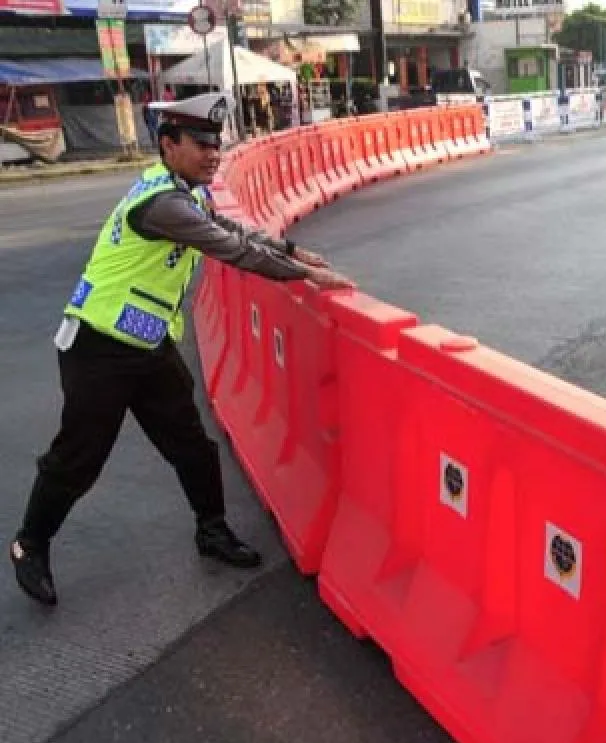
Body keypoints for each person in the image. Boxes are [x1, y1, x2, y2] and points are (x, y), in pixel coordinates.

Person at [9, 91, 356, 607]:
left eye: (217, 145)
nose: (213, 155)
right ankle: (29, 544)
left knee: (191, 445)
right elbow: (229, 248)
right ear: (169, 145)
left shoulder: (186, 192)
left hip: (148, 346)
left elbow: (230, 227)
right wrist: (303, 275)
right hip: (98, 346)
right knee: (80, 457)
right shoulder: (163, 204)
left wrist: (290, 249)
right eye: (200, 145)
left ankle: (212, 531)